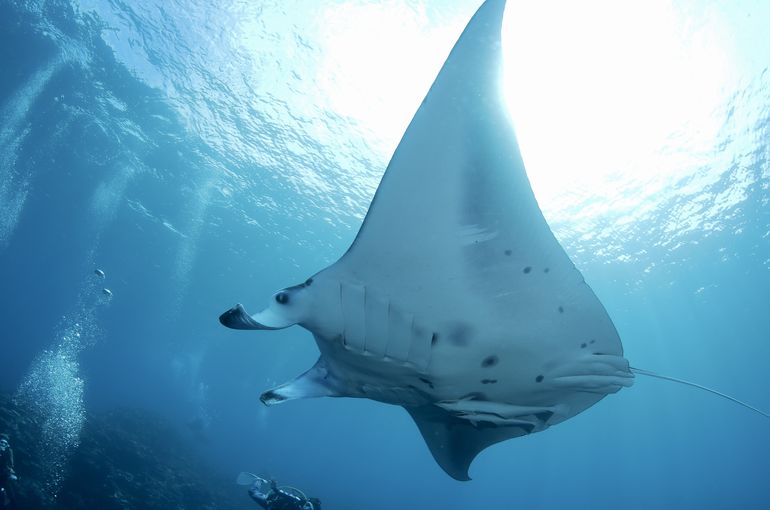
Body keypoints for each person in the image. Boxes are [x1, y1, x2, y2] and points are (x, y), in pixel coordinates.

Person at [239, 472, 321, 510]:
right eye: (308, 506)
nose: (307, 509)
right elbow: (283, 494)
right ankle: (259, 480)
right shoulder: (297, 500)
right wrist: (274, 488)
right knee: (252, 492)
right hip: (270, 504)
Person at [0, 434, 17, 508]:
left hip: (5, 476)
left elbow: (10, 465)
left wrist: (9, 451)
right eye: (2, 442)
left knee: (12, 498)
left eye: (5, 443)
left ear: (7, 445)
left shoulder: (8, 452)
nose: (3, 444)